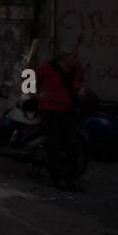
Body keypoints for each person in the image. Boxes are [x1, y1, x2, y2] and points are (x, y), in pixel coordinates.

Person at [34, 46, 87, 191]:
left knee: (72, 143)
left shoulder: (75, 69)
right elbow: (27, 75)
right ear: (64, 58)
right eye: (74, 57)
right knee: (54, 142)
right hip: (49, 110)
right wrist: (36, 94)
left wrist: (82, 88)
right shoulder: (48, 67)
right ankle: (55, 178)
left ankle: (70, 179)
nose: (77, 60)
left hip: (67, 110)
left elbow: (82, 81)